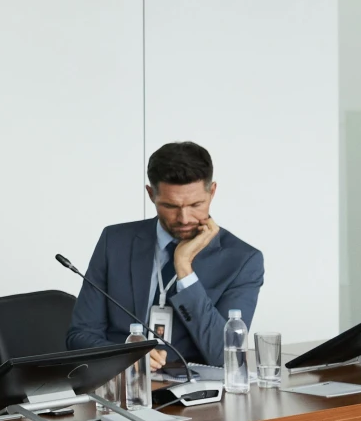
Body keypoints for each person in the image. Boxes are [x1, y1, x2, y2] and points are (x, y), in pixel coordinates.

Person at [68, 140, 263, 369]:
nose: (184, 218)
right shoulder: (115, 242)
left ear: (212, 192)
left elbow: (226, 359)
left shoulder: (242, 261)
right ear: (151, 194)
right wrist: (126, 355)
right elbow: (79, 338)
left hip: (195, 396)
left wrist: (184, 270)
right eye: (170, 206)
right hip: (121, 386)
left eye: (196, 204)